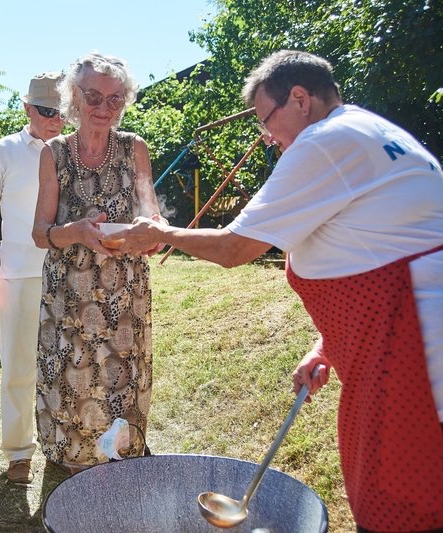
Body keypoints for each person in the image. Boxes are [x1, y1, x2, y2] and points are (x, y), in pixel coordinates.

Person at [119, 50, 443, 532]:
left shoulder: (324, 142)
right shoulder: (372, 130)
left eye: (265, 120)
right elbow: (373, 246)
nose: (266, 136)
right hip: (391, 333)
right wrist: (326, 344)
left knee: (404, 497)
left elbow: (237, 247)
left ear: (299, 99)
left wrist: (160, 234)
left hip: (410, 349)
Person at [30, 53, 165, 473]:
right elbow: (40, 232)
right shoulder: (53, 153)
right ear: (74, 95)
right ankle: (74, 456)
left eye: (115, 100)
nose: (104, 108)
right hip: (69, 293)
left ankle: (120, 450)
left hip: (124, 288)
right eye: (94, 96)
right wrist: (77, 231)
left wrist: (153, 233)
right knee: (76, 373)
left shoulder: (134, 148)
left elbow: (152, 212)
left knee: (121, 371)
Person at [0, 72, 65, 484]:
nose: (55, 120)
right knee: (17, 369)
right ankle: (18, 454)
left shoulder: (74, 150)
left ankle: (64, 445)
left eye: (62, 112)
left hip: (68, 273)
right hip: (17, 274)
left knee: (66, 366)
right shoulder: (5, 150)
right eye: (46, 111)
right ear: (27, 109)